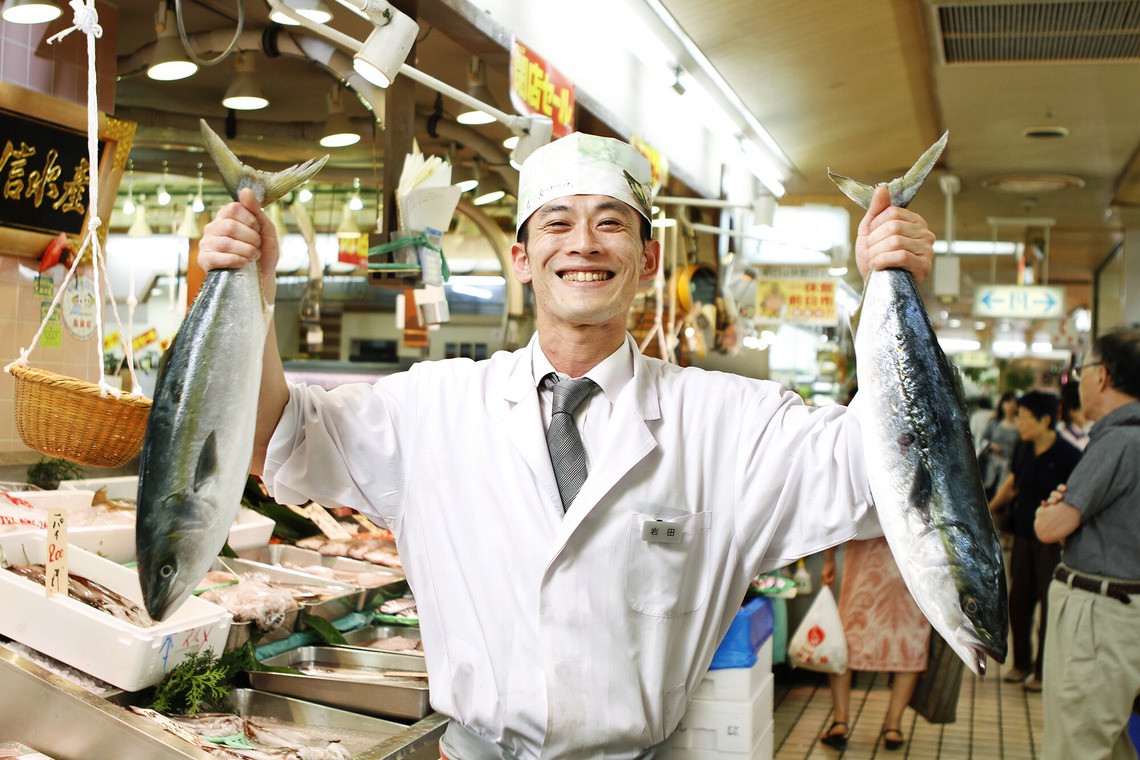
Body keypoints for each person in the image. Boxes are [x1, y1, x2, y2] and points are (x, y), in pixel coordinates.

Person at [198, 132, 935, 758]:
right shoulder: (433, 405)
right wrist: (253, 295)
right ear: (522, 258)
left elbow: (882, 469)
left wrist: (893, 292)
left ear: (647, 261)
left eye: (612, 223)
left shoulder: (729, 421)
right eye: (556, 224)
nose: (583, 244)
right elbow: (270, 439)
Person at [1035, 329, 1140, 760]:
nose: (1078, 380)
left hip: (1098, 615)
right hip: (1121, 615)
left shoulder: (1117, 441)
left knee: (1075, 746)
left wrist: (1048, 512)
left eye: (1084, 369)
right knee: (1107, 745)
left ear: (1104, 376)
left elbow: (1051, 526)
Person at [986, 390, 1081, 691]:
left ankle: (1043, 672)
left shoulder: (1070, 456)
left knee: (1049, 604)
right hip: (1024, 535)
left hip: (1054, 542)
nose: (1020, 423)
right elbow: (1013, 482)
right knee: (1020, 601)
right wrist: (988, 509)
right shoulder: (1024, 448)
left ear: (1045, 420)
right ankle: (1021, 664)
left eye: (1025, 418)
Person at [819, 539, 930, 752]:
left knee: (848, 638)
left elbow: (838, 509)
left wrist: (829, 557)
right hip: (914, 558)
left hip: (865, 558)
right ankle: (893, 726)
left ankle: (840, 722)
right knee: (910, 640)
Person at [979, 390, 1020, 501]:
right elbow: (982, 441)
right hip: (991, 465)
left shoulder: (1020, 426)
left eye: (1013, 402)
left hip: (1009, 466)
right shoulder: (994, 423)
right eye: (1008, 402)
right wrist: (991, 445)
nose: (1010, 406)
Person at [1057, 380, 1091, 451]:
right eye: (1082, 409)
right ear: (1072, 412)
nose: (1088, 412)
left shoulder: (1085, 433)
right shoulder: (1065, 437)